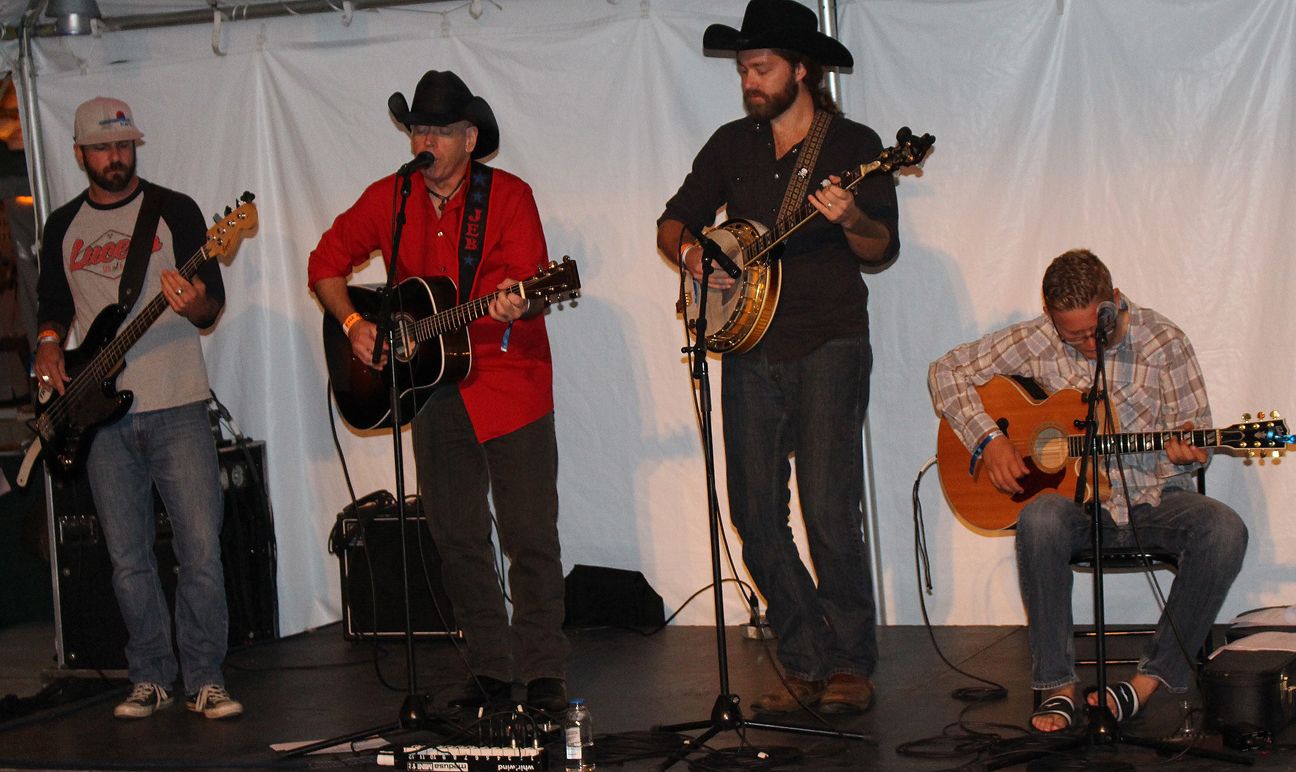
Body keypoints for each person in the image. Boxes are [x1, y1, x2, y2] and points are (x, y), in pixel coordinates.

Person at [656, 0, 900, 715]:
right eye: (742, 70)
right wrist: (694, 254)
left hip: (829, 340)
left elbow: (880, 248)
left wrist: (851, 217)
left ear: (800, 70)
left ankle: (850, 662)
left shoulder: (854, 144)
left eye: (760, 68)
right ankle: (806, 653)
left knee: (828, 509)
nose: (748, 82)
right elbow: (673, 220)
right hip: (748, 345)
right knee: (754, 513)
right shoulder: (731, 145)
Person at [307, 70, 569, 713]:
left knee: (529, 535)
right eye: (418, 129)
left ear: (469, 138)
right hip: (433, 391)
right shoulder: (391, 197)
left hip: (510, 381)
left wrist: (518, 302)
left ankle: (542, 674)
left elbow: (532, 289)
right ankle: (490, 669)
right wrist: (355, 324)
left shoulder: (509, 197)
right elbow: (324, 264)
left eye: (439, 131)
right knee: (456, 538)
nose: (424, 141)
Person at [928, 249, 1247, 733]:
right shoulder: (1036, 338)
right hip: (1078, 508)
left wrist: (1190, 450)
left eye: (1092, 332)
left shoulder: (1164, 342)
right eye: (1070, 335)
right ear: (1049, 316)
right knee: (1040, 517)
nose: (1084, 345)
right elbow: (945, 372)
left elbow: (1195, 438)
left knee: (1224, 530)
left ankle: (1145, 683)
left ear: (1114, 300)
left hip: (1152, 501)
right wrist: (989, 440)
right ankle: (1058, 687)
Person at [34, 97, 242, 720]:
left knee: (200, 549)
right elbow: (52, 303)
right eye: (103, 148)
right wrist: (48, 341)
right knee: (128, 559)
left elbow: (211, 306)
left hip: (178, 403)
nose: (116, 157)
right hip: (99, 418)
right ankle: (150, 675)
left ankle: (205, 677)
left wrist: (192, 303)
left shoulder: (175, 210)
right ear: (80, 154)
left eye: (124, 146)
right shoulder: (62, 226)